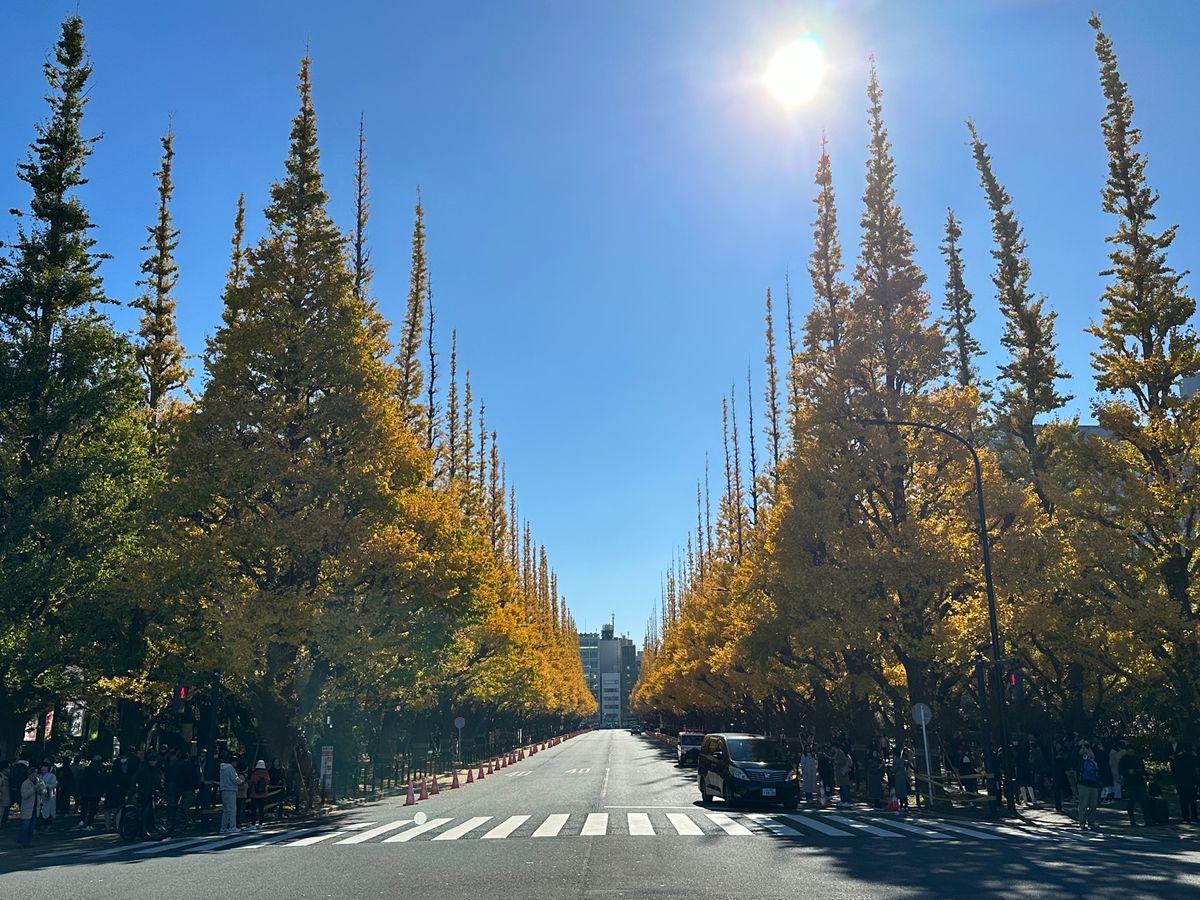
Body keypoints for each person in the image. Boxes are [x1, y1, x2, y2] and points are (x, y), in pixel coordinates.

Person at [1120, 745, 1149, 826]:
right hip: (1129, 783)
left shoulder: (1138, 758)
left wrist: (1146, 777)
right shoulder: (1123, 760)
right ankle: (1132, 820)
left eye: (1132, 752)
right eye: (1129, 752)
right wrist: (1127, 772)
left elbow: (1143, 770)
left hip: (1139, 782)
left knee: (1144, 801)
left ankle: (1147, 819)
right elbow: (1121, 771)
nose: (1131, 753)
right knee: (1131, 802)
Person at [1169, 742, 1198, 824]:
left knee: (1183, 800)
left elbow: (1175, 771)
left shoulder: (1178, 758)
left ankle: (1185, 817)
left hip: (1181, 781)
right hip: (1191, 781)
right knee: (1193, 801)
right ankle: (1194, 817)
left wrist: (1175, 782)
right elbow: (1195, 771)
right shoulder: (1192, 757)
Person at [1077, 745, 1102, 831]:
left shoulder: (1094, 762)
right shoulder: (1081, 760)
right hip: (1084, 784)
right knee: (1083, 803)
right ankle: (1082, 821)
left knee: (1093, 804)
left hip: (1093, 784)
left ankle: (1091, 820)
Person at [17, 767, 44, 847]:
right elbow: (24, 795)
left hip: (36, 808)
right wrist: (33, 789)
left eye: (35, 774)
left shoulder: (40, 782)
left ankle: (27, 842)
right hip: (27, 808)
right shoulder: (25, 783)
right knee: (25, 826)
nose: (34, 776)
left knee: (32, 827)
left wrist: (41, 791)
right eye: (32, 775)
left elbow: (44, 791)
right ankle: (21, 842)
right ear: (29, 775)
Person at [78, 755, 105, 830]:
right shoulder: (100, 769)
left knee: (84, 807)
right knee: (93, 808)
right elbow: (102, 781)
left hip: (85, 791)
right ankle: (89, 824)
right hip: (95, 792)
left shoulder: (86, 769)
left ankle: (82, 820)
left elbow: (81, 780)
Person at [218, 755, 241, 834]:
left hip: (223, 789)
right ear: (233, 762)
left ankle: (223, 827)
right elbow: (235, 779)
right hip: (230, 789)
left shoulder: (222, 769)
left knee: (226, 810)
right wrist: (241, 781)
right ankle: (232, 826)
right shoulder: (231, 768)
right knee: (232, 809)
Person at [247, 760, 270, 829]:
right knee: (261, 809)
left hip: (254, 794)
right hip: (264, 794)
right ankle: (261, 823)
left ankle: (253, 823)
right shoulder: (266, 773)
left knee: (254, 810)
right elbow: (268, 781)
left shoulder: (255, 773)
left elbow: (251, 782)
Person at [37, 761, 57, 831]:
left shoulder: (52, 776)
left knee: (48, 810)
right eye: (42, 767)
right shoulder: (38, 776)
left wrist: (45, 786)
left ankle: (48, 824)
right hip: (40, 796)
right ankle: (39, 825)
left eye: (45, 767)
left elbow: (54, 784)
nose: (43, 768)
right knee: (40, 810)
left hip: (49, 796)